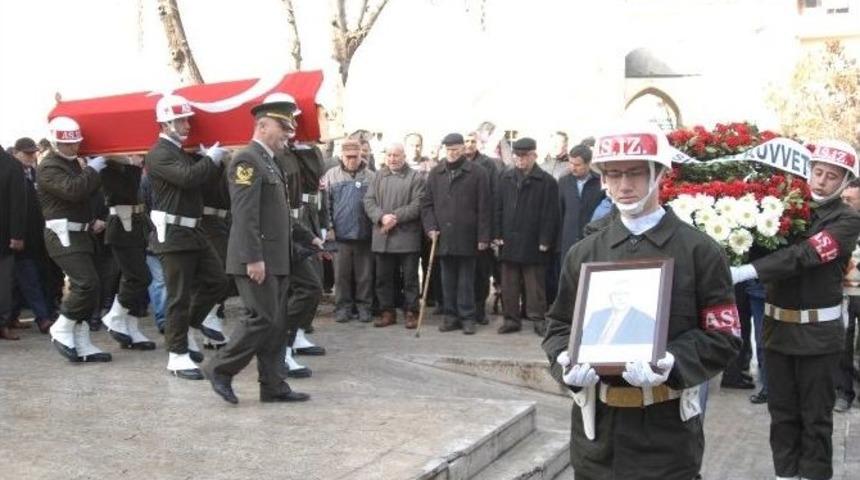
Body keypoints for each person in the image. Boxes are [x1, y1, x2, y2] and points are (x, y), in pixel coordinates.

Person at [542, 124, 741, 479]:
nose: (624, 185)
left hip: (666, 438)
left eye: (635, 173)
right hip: (596, 436)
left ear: (660, 174)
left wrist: (674, 361)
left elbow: (724, 336)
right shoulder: (584, 252)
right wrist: (563, 361)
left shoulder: (699, 251)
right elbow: (558, 325)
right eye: (613, 174)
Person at [730, 139, 860, 480]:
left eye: (832, 176)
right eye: (817, 172)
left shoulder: (847, 221)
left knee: (815, 417)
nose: (821, 181)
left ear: (845, 181)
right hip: (777, 330)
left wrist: (749, 272)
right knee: (782, 413)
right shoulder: (786, 208)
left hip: (818, 336)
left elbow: (805, 256)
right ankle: (785, 475)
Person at [202, 94, 318, 404]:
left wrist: (309, 237)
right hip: (257, 259)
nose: (287, 134)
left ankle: (273, 385)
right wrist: (253, 258)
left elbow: (278, 214)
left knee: (277, 324)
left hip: (276, 259)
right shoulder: (247, 160)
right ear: (263, 125)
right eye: (283, 127)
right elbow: (246, 215)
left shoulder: (270, 161)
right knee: (261, 319)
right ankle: (220, 368)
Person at [145, 94, 229, 379]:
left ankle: (185, 328)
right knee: (178, 297)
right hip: (173, 234)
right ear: (166, 123)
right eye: (180, 120)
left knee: (218, 281)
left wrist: (209, 161)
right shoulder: (159, 153)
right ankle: (177, 354)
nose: (186, 125)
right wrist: (209, 159)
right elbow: (187, 178)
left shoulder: (180, 151)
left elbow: (200, 182)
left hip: (193, 229)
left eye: (186, 119)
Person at [38, 117, 112, 361]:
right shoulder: (49, 165)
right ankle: (61, 327)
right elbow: (73, 190)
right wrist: (92, 169)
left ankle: (82, 343)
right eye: (67, 144)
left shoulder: (73, 164)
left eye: (75, 143)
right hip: (62, 235)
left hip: (80, 233)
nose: (73, 148)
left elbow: (86, 197)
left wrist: (94, 218)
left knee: (93, 288)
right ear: (55, 142)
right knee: (86, 283)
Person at [421, 133, 491, 334]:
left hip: (468, 236)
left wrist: (483, 237)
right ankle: (450, 316)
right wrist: (431, 227)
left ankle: (467, 317)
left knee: (467, 281)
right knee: (447, 280)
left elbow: (485, 206)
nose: (452, 153)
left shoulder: (478, 173)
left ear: (463, 150)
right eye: (448, 149)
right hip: (443, 237)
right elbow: (427, 204)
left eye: (456, 149)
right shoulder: (436, 173)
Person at [494, 137, 559, 335]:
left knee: (535, 286)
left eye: (524, 156)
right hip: (509, 240)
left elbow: (551, 214)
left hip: (534, 242)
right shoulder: (505, 178)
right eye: (517, 156)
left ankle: (538, 319)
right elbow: (497, 208)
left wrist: (545, 240)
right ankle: (511, 319)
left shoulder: (547, 181)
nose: (520, 160)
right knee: (509, 285)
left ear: (534, 155)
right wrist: (496, 234)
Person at [363, 143, 425, 328]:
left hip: (407, 237)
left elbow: (418, 204)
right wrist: (381, 217)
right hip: (383, 237)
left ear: (404, 156)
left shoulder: (415, 177)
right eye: (389, 155)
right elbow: (368, 200)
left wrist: (395, 217)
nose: (392, 159)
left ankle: (411, 312)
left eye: (396, 155)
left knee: (410, 279)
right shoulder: (378, 176)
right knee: (383, 278)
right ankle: (387, 312)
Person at [98, 154, 155, 350]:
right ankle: (115, 316)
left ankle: (131, 327)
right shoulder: (108, 169)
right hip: (122, 228)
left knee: (132, 280)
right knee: (139, 277)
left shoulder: (124, 168)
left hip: (136, 227)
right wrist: (133, 165)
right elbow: (125, 193)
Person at [323, 139, 375, 323]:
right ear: (341, 156)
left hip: (365, 234)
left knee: (365, 276)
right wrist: (329, 227)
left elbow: (376, 205)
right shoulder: (331, 175)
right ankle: (342, 308)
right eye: (348, 157)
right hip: (341, 235)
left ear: (362, 155)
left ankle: (364, 308)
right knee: (341, 276)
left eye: (356, 156)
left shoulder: (371, 177)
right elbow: (325, 204)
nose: (352, 160)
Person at [9, 137, 54, 334]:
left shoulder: (35, 174)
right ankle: (43, 318)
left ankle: (12, 317)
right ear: (16, 153)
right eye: (26, 153)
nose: (31, 156)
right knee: (29, 278)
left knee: (24, 280)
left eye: (32, 152)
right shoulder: (11, 175)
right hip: (19, 237)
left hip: (38, 235)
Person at [553, 144, 605, 307]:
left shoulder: (600, 183)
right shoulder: (564, 181)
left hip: (591, 241)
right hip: (568, 241)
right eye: (571, 163)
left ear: (589, 164)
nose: (572, 168)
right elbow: (559, 213)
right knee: (567, 280)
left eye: (577, 164)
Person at [465, 131, 500, 325]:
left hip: (481, 228)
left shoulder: (488, 165)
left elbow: (493, 198)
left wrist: (491, 231)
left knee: (481, 272)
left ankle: (479, 308)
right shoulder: (453, 164)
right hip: (461, 229)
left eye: (472, 141)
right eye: (466, 141)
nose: (469, 145)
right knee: (464, 272)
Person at [836, 178, 860, 412]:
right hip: (845, 293)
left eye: (849, 199)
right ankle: (844, 392)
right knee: (844, 341)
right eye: (842, 198)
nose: (844, 202)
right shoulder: (838, 222)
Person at [0, 144, 25, 340]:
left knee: (4, 283)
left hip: (4, 236)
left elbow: (18, 204)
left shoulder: (11, 165)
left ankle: (3, 323)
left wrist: (16, 235)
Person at [581, 282, 655, 345]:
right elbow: (585, 343)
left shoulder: (645, 320)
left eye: (625, 293)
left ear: (632, 296)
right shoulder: (597, 316)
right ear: (610, 297)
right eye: (616, 294)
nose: (620, 298)